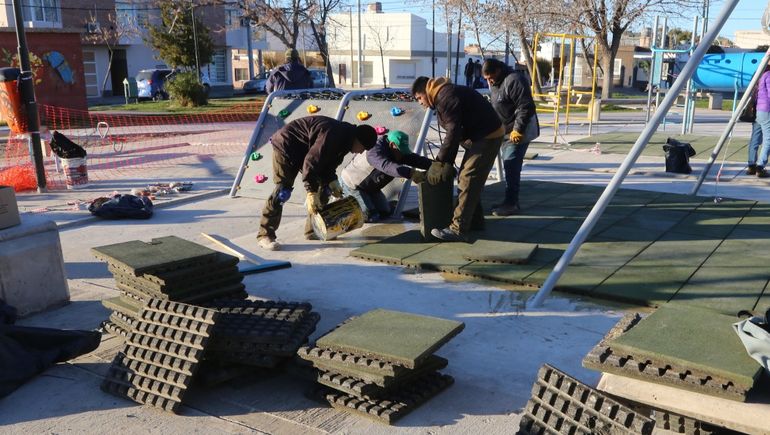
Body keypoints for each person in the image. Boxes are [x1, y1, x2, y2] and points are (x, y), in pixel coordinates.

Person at [257, 116, 377, 250]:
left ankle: (313, 230)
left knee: (325, 189)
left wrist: (332, 181)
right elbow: (311, 162)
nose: (361, 152)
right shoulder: (333, 135)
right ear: (358, 140)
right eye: (363, 148)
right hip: (286, 146)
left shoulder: (346, 142)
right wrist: (311, 191)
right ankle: (265, 235)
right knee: (282, 192)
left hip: (305, 150)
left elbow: (328, 165)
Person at [411, 76, 504, 242]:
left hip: (487, 136)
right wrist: (446, 162)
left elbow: (453, 132)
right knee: (469, 178)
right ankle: (475, 221)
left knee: (468, 178)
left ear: (426, 91)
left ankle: (458, 229)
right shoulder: (444, 94)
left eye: (419, 98)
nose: (420, 103)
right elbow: (455, 132)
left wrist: (440, 162)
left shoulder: (445, 97)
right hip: (482, 135)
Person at [482, 58, 540, 215]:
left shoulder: (514, 80)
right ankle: (509, 201)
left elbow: (525, 107)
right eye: (486, 79)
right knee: (509, 165)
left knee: (511, 165)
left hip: (519, 130)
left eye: (490, 77)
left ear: (498, 70)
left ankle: (512, 203)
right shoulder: (496, 83)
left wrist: (518, 130)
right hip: (505, 129)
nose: (489, 81)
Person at [340, 130, 432, 222]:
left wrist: (433, 165)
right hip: (353, 185)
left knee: (385, 213)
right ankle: (344, 208)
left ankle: (372, 205)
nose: (403, 154)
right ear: (392, 145)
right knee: (371, 217)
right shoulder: (374, 151)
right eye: (401, 151)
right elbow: (386, 166)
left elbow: (413, 159)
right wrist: (410, 173)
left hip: (371, 187)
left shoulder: (397, 152)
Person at [750, 65, 770, 177]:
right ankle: (760, 166)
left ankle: (751, 164)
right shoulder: (769, 75)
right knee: (768, 139)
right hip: (767, 110)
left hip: (757, 109)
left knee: (755, 138)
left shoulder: (758, 75)